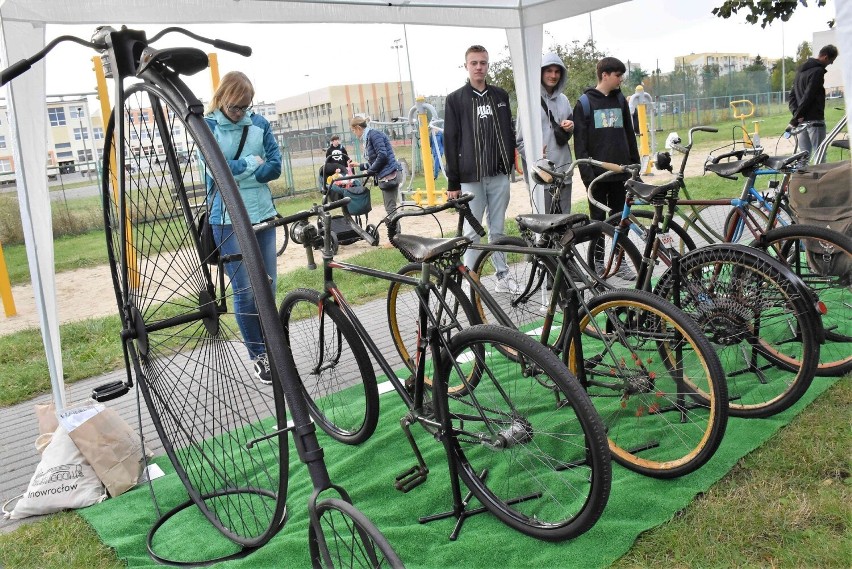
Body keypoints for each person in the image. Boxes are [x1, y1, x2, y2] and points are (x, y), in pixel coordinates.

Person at [205, 71, 282, 385]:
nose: (240, 114)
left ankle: (274, 346)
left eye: (245, 107)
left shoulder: (260, 124)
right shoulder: (207, 126)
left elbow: (275, 165)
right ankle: (258, 354)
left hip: (262, 213)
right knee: (247, 290)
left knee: (269, 285)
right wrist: (252, 163)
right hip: (227, 219)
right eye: (235, 107)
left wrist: (250, 171)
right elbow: (218, 170)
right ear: (223, 98)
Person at [444, 44, 516, 292]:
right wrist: (453, 182)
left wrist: (509, 164)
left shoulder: (500, 96)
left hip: (498, 175)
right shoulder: (455, 100)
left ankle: (503, 277)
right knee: (472, 231)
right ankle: (470, 279)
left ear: (488, 65)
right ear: (466, 65)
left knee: (498, 229)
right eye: (474, 63)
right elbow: (450, 141)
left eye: (483, 62)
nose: (479, 67)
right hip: (470, 179)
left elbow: (509, 131)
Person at [573, 56, 640, 223]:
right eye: (618, 75)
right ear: (605, 75)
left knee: (620, 221)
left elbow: (630, 135)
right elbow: (580, 145)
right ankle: (598, 251)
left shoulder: (620, 100)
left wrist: (635, 166)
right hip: (597, 177)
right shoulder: (584, 103)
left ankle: (619, 251)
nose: (621, 79)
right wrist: (588, 178)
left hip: (621, 174)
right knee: (598, 223)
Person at [516, 52, 574, 214]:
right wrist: (535, 154)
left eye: (557, 71)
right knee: (544, 224)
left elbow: (566, 135)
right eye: (549, 71)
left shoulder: (564, 100)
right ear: (540, 72)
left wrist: (570, 127)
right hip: (541, 174)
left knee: (564, 220)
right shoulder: (528, 100)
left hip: (563, 170)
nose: (553, 75)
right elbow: (519, 141)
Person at [788, 44, 838, 164]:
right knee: (819, 155)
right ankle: (819, 183)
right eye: (831, 60)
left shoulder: (800, 71)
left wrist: (796, 115)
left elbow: (792, 96)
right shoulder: (818, 71)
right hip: (815, 121)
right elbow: (809, 96)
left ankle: (801, 182)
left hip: (802, 122)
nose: (831, 64)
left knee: (803, 157)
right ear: (825, 57)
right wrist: (795, 119)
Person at [348, 117, 402, 214]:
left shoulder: (374, 135)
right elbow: (375, 161)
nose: (354, 133)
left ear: (358, 128)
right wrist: (359, 165)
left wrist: (370, 171)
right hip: (387, 174)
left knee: (390, 208)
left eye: (353, 130)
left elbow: (382, 156)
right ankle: (393, 228)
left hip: (390, 175)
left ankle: (394, 229)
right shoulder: (369, 137)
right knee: (390, 207)